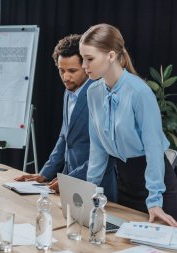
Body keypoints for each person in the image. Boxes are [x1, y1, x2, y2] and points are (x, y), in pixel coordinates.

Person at [79, 23, 177, 226]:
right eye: (83, 58)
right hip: (123, 181)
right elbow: (97, 149)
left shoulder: (139, 92)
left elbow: (154, 150)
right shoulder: (93, 92)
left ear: (111, 56)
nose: (83, 66)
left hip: (156, 184)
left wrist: (155, 201)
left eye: (89, 59)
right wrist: (91, 191)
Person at [15, 34, 117, 201]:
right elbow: (65, 138)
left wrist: (70, 180)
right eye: (61, 70)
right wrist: (43, 174)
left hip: (97, 187)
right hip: (67, 185)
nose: (65, 77)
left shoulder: (102, 95)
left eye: (72, 71)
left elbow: (107, 153)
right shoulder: (68, 92)